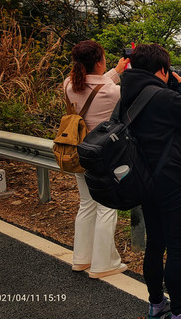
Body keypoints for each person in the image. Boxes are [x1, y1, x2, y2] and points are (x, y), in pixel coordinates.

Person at [119, 43, 181, 319]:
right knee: (177, 249)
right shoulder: (164, 98)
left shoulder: (127, 92)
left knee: (155, 243)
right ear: (161, 69)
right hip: (170, 181)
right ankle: (180, 312)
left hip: (144, 179)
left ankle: (156, 305)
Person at [65, 40, 129, 279]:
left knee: (87, 204)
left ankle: (82, 259)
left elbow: (94, 87)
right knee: (106, 205)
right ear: (100, 60)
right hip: (104, 155)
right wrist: (122, 74)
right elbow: (108, 93)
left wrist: (116, 71)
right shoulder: (113, 91)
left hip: (78, 151)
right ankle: (104, 264)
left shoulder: (69, 84)